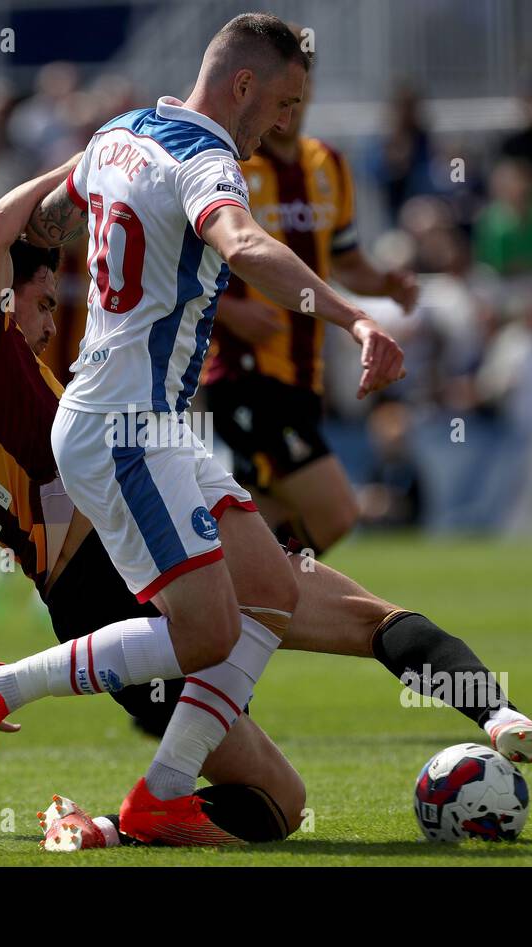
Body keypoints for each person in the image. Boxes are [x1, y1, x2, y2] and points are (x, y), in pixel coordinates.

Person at [0, 163, 532, 850]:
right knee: (300, 692)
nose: (50, 327)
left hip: (96, 584)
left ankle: (501, 718)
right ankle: (14, 701)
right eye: (44, 304)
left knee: (296, 761)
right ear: (3, 294)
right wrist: (92, 159)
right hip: (117, 553)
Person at [204, 29, 417, 554]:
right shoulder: (227, 165)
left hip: (304, 375)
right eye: (281, 97)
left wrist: (385, 283)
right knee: (336, 511)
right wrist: (233, 313)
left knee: (265, 512)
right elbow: (201, 265)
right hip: (245, 370)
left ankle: (226, 604)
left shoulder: (329, 166)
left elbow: (344, 261)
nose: (289, 111)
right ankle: (256, 601)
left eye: (298, 96)